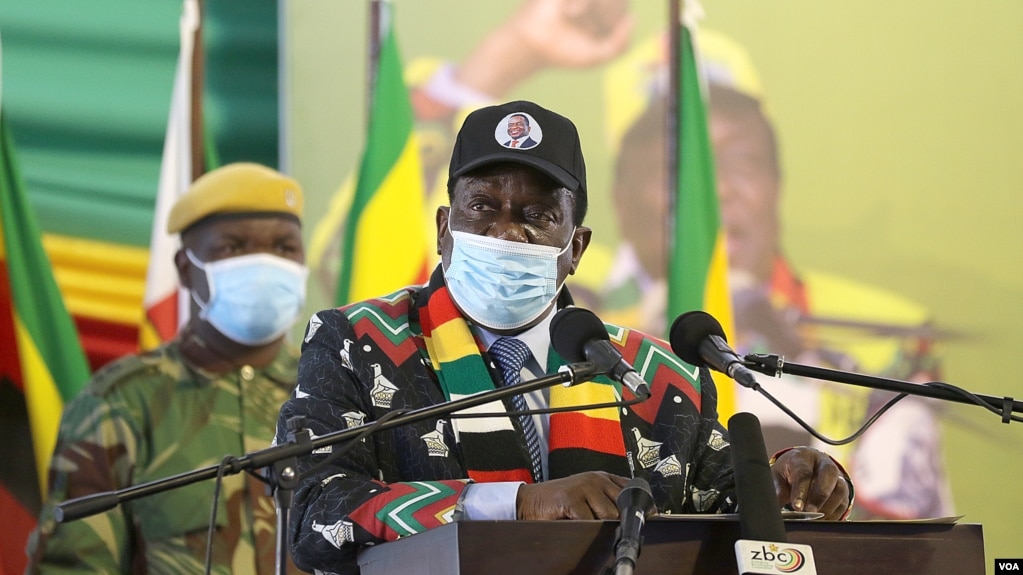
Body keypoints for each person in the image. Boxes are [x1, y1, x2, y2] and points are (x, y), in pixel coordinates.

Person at [278, 100, 852, 574]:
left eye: (536, 214)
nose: (506, 232)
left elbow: (735, 509)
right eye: (482, 207)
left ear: (574, 247)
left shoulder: (657, 372)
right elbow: (314, 514)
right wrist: (522, 505)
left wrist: (798, 481)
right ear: (444, 228)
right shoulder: (357, 342)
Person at [26, 163, 309, 574]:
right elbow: (73, 565)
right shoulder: (120, 402)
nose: (265, 264)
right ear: (184, 268)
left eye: (284, 248)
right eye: (235, 247)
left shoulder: (334, 390)